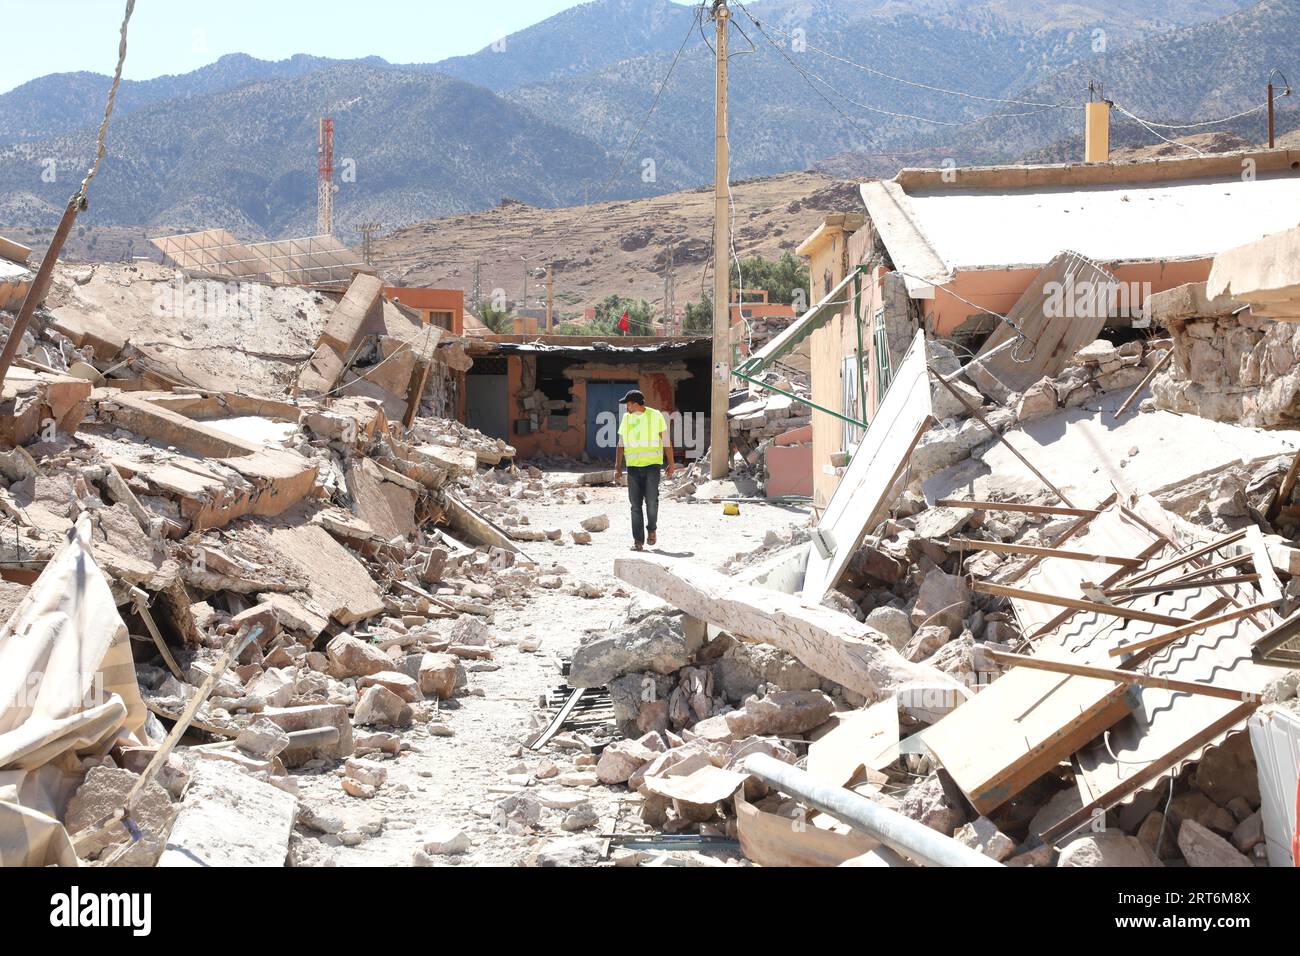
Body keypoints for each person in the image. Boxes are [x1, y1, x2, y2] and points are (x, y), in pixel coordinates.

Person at [613, 389, 675, 551]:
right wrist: (617, 467)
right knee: (635, 505)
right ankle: (638, 541)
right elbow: (621, 444)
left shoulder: (656, 416)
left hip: (652, 466)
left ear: (635, 404)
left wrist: (671, 463)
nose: (626, 406)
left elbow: (666, 440)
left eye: (627, 403)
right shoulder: (626, 419)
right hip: (633, 467)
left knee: (652, 501)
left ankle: (652, 529)